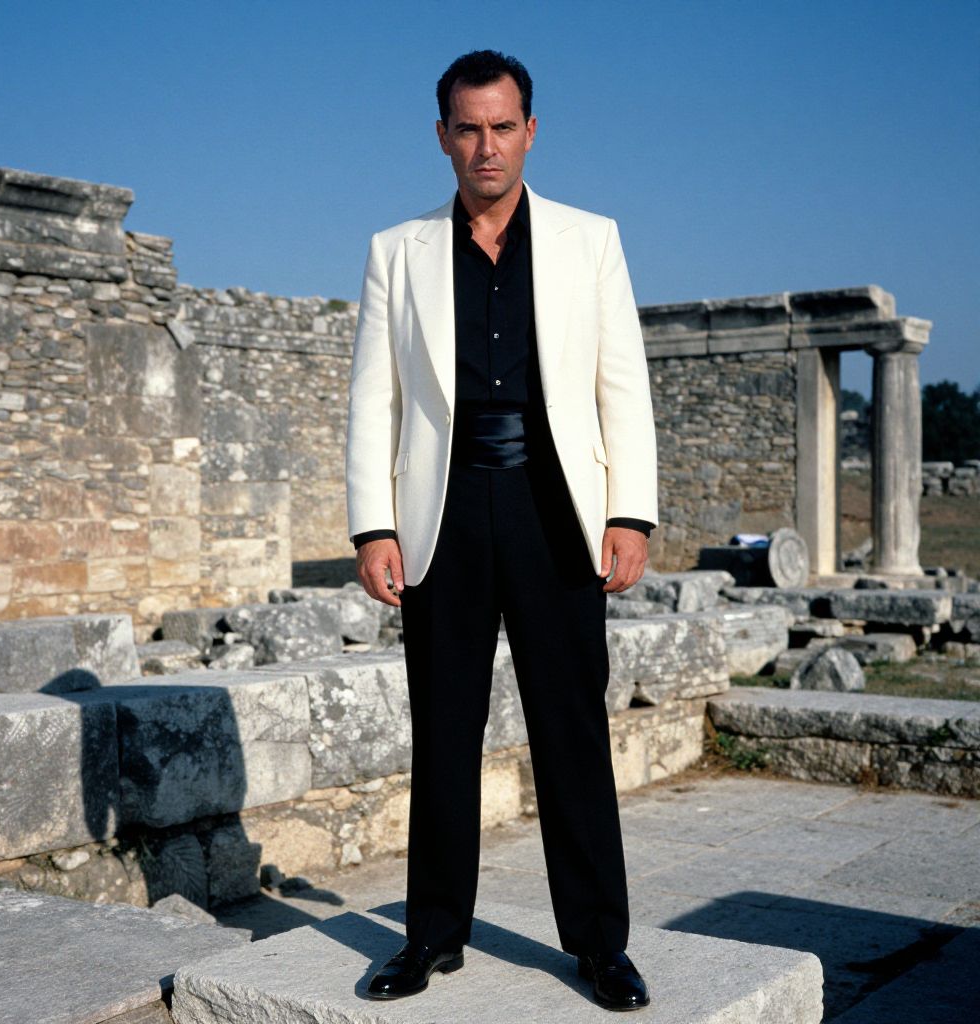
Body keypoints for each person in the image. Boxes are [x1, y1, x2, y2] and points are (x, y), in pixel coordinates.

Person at [345, 48, 658, 1012]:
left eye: (503, 125)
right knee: (444, 729)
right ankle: (433, 937)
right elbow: (372, 403)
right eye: (468, 128)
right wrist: (373, 526)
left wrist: (630, 512)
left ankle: (600, 945)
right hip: (442, 511)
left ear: (531, 130)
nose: (487, 145)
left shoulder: (589, 239)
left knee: (571, 727)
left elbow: (622, 387)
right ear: (442, 136)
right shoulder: (394, 251)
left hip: (555, 509)